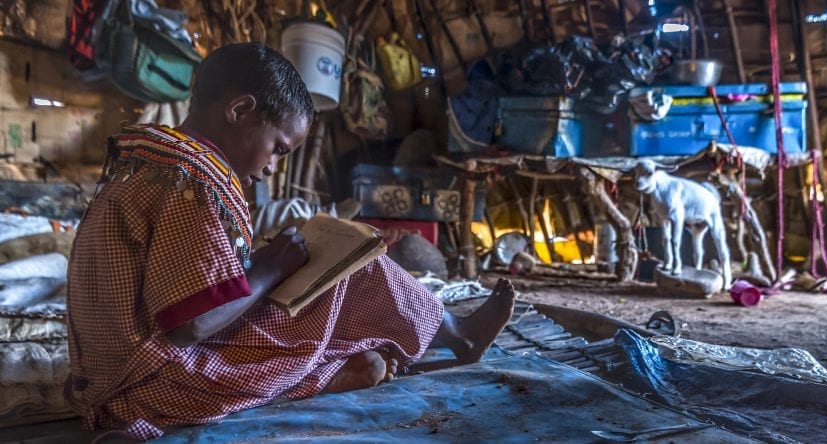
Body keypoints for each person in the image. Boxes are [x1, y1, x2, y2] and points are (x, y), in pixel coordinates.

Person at [65, 42, 515, 440]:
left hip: (111, 373)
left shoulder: (152, 159)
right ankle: (454, 339)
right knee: (355, 271)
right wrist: (272, 268)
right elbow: (193, 323)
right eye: (279, 147)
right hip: (161, 382)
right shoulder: (194, 180)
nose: (273, 168)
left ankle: (367, 361)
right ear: (240, 111)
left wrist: (263, 263)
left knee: (322, 283)